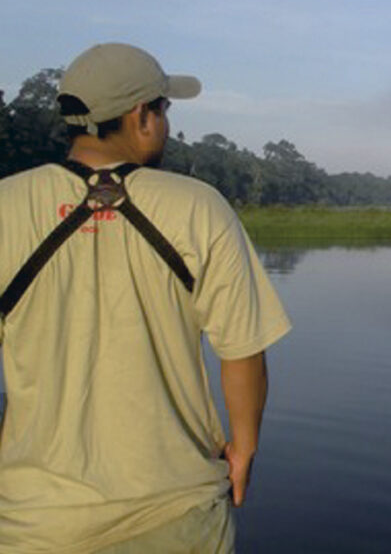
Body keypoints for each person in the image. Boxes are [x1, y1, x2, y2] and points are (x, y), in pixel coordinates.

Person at [0, 43, 291, 553]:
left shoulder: (6, 206)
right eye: (164, 111)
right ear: (141, 116)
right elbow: (242, 350)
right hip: (177, 515)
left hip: (36, 523)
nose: (166, 126)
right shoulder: (199, 206)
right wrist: (242, 450)